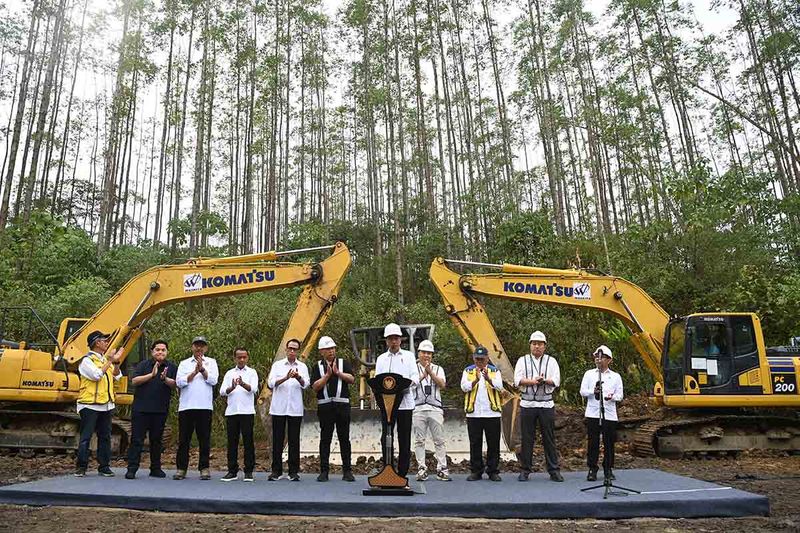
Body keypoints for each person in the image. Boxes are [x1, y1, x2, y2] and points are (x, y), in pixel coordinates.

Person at [514, 330, 564, 482]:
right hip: (527, 404)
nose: (537, 347)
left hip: (546, 404)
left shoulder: (552, 361)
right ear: (530, 345)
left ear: (545, 346)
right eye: (534, 344)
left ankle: (553, 470)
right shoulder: (522, 360)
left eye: (540, 344)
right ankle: (525, 469)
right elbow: (517, 380)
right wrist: (534, 381)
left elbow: (556, 381)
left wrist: (544, 381)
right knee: (527, 438)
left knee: (549, 437)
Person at [125, 339, 177, 479]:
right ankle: (132, 468)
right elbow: (134, 381)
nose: (160, 352)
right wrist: (151, 375)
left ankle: (155, 468)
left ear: (167, 352)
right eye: (157, 349)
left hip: (160, 410)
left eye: (163, 350)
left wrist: (165, 379)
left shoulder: (171, 367)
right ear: (152, 351)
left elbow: (176, 385)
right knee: (137, 440)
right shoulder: (143, 365)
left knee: (157, 440)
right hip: (141, 409)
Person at [75, 330, 123, 477]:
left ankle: (104, 466)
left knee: (105, 437)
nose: (107, 343)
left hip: (106, 405)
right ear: (97, 343)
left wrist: (115, 363)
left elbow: (117, 376)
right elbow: (96, 376)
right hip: (89, 405)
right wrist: (109, 360)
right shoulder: (86, 361)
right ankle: (81, 467)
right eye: (105, 340)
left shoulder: (103, 360)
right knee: (86, 437)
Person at [375, 323, 419, 478]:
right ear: (386, 341)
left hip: (405, 404)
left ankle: (402, 473)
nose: (394, 341)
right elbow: (377, 380)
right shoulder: (381, 359)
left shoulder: (409, 356)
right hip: (387, 405)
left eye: (396, 338)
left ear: (401, 339)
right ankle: (388, 469)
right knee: (386, 437)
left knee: (404, 438)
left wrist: (406, 386)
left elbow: (415, 377)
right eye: (390, 338)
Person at [310, 336, 355, 482]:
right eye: (328, 349)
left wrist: (338, 373)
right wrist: (327, 376)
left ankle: (347, 471)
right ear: (321, 351)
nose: (331, 351)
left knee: (344, 438)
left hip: (342, 405)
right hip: (325, 406)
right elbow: (315, 386)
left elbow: (352, 379)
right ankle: (324, 471)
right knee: (325, 439)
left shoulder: (343, 363)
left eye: (333, 348)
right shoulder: (317, 366)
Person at [174, 336, 219, 480]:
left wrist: (202, 370)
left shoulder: (211, 362)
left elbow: (213, 380)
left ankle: (204, 468)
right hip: (186, 406)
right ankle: (181, 469)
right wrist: (194, 372)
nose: (199, 348)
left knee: (204, 439)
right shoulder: (184, 363)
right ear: (192, 347)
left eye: (202, 345)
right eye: (196, 345)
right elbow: (179, 382)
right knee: (183, 440)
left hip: (204, 406)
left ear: (206, 348)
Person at [267, 338, 309, 481]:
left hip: (295, 408)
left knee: (294, 440)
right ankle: (276, 471)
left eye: (295, 349)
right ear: (286, 349)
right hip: (279, 408)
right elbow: (271, 383)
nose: (292, 351)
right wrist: (285, 377)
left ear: (298, 351)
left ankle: (293, 471)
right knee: (277, 440)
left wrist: (297, 377)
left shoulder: (302, 366)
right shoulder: (277, 365)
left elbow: (306, 384)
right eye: (290, 348)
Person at [579, 345, 623, 481]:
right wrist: (593, 392)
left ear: (609, 360)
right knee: (593, 442)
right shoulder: (589, 374)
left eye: (602, 357)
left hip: (608, 413)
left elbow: (620, 395)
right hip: (593, 412)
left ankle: (608, 469)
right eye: (596, 357)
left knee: (609, 442)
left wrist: (612, 397)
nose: (598, 360)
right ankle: (592, 468)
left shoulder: (615, 376)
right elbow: (582, 391)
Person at [461, 346, 503, 481]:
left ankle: (493, 471)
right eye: (477, 359)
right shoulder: (468, 371)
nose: (479, 362)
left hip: (492, 413)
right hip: (474, 413)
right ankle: (476, 471)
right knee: (475, 443)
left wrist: (488, 379)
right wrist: (476, 380)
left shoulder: (494, 371)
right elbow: (464, 387)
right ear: (474, 358)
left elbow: (500, 386)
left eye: (482, 359)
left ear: (487, 358)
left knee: (493, 443)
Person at [220, 347, 259, 482]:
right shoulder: (229, 373)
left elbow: (254, 389)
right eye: (239, 357)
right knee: (232, 442)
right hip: (232, 412)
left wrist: (242, 383)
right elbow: (222, 391)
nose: (241, 359)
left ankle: (248, 471)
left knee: (248, 441)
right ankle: (232, 470)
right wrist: (232, 387)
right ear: (234, 358)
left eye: (244, 357)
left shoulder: (252, 372)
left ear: (247, 357)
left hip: (247, 412)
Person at [413, 339, 450, 482]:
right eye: (424, 352)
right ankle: (421, 468)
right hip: (418, 408)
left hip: (435, 408)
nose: (426, 355)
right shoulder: (413, 368)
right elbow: (410, 385)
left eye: (429, 353)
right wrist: (423, 375)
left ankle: (442, 468)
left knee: (439, 440)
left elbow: (442, 384)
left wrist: (430, 373)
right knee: (419, 440)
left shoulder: (438, 368)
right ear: (419, 353)